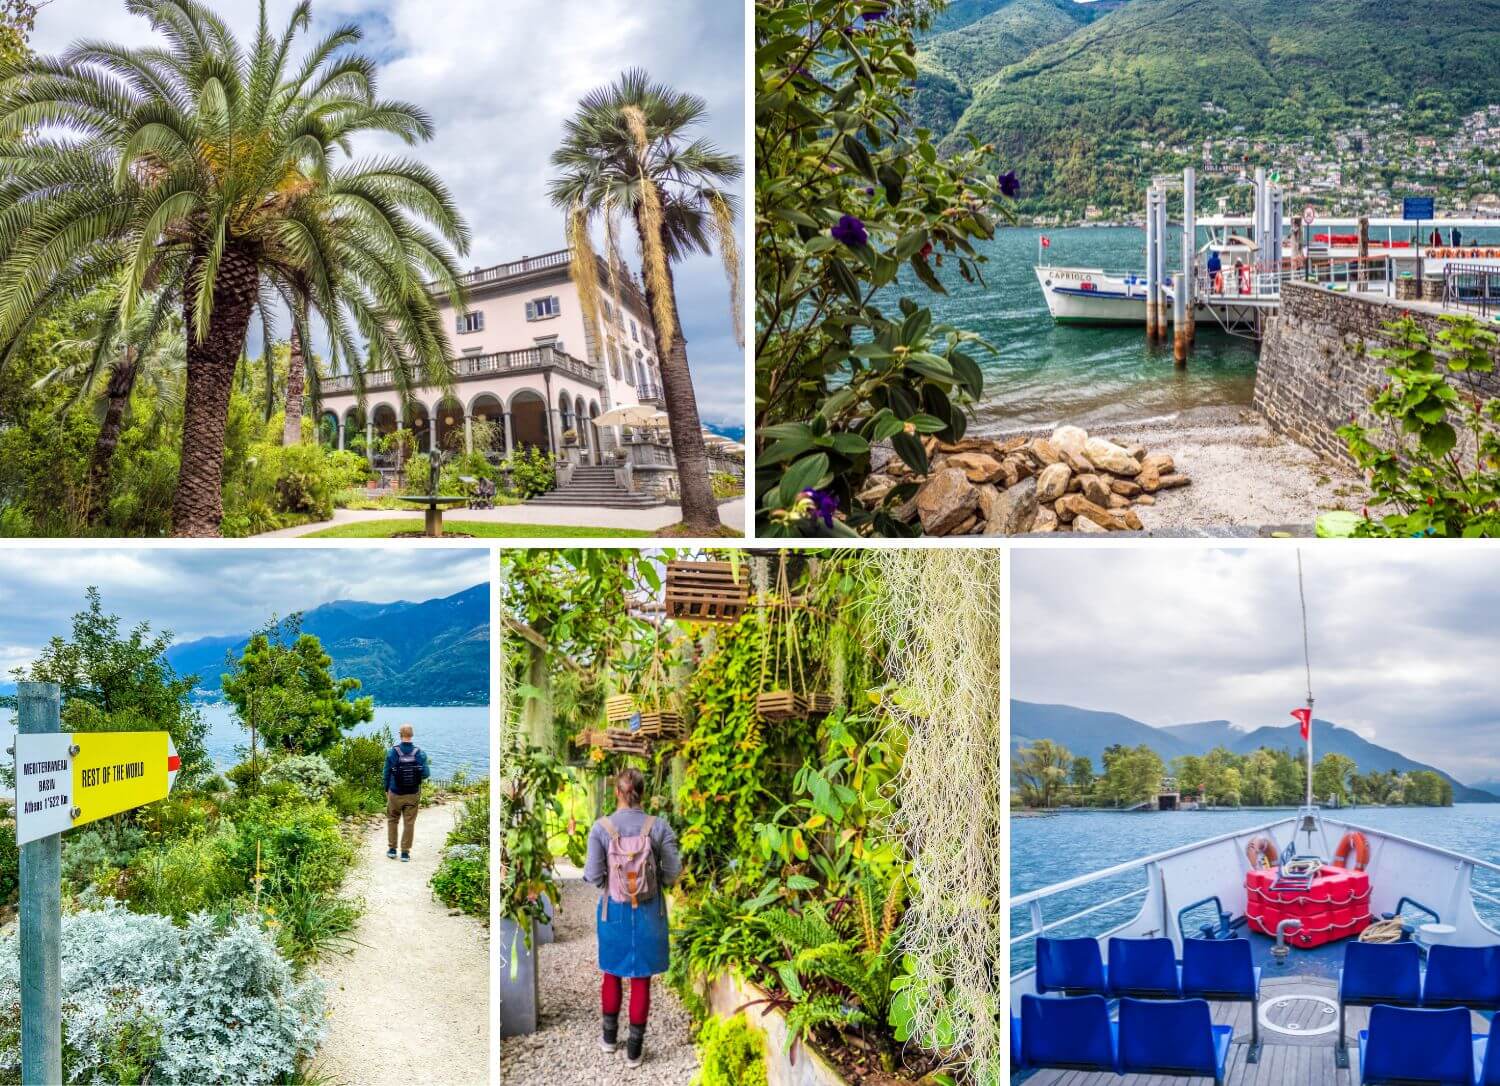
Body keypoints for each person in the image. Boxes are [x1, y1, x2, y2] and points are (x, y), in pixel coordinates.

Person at [584, 768, 681, 1068]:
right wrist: (654, 883)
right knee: (641, 978)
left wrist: (612, 886)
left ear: (617, 792)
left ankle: (609, 1040)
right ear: (643, 792)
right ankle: (634, 1052)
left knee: (611, 972)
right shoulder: (659, 826)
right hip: (650, 911)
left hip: (613, 910)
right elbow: (674, 871)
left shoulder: (601, 828)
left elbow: (591, 874)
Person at [384, 724, 430, 861]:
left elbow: (386, 773)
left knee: (393, 820)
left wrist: (387, 789)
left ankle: (392, 850)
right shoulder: (420, 753)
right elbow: (426, 774)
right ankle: (405, 853)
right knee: (409, 823)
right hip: (413, 793)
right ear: (412, 735)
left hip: (395, 792)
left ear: (400, 734)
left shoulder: (392, 752)